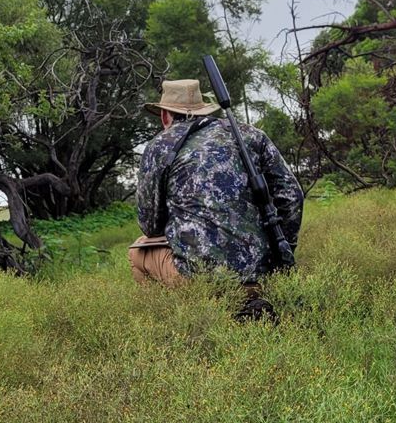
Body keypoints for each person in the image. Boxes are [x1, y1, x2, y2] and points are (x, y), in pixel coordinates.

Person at [129, 79, 303, 311]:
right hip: (262, 274)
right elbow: (292, 196)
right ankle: (250, 300)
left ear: (164, 115)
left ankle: (178, 318)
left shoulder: (159, 146)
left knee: (138, 250)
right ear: (203, 109)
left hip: (200, 282)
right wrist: (283, 251)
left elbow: (149, 225)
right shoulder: (251, 135)